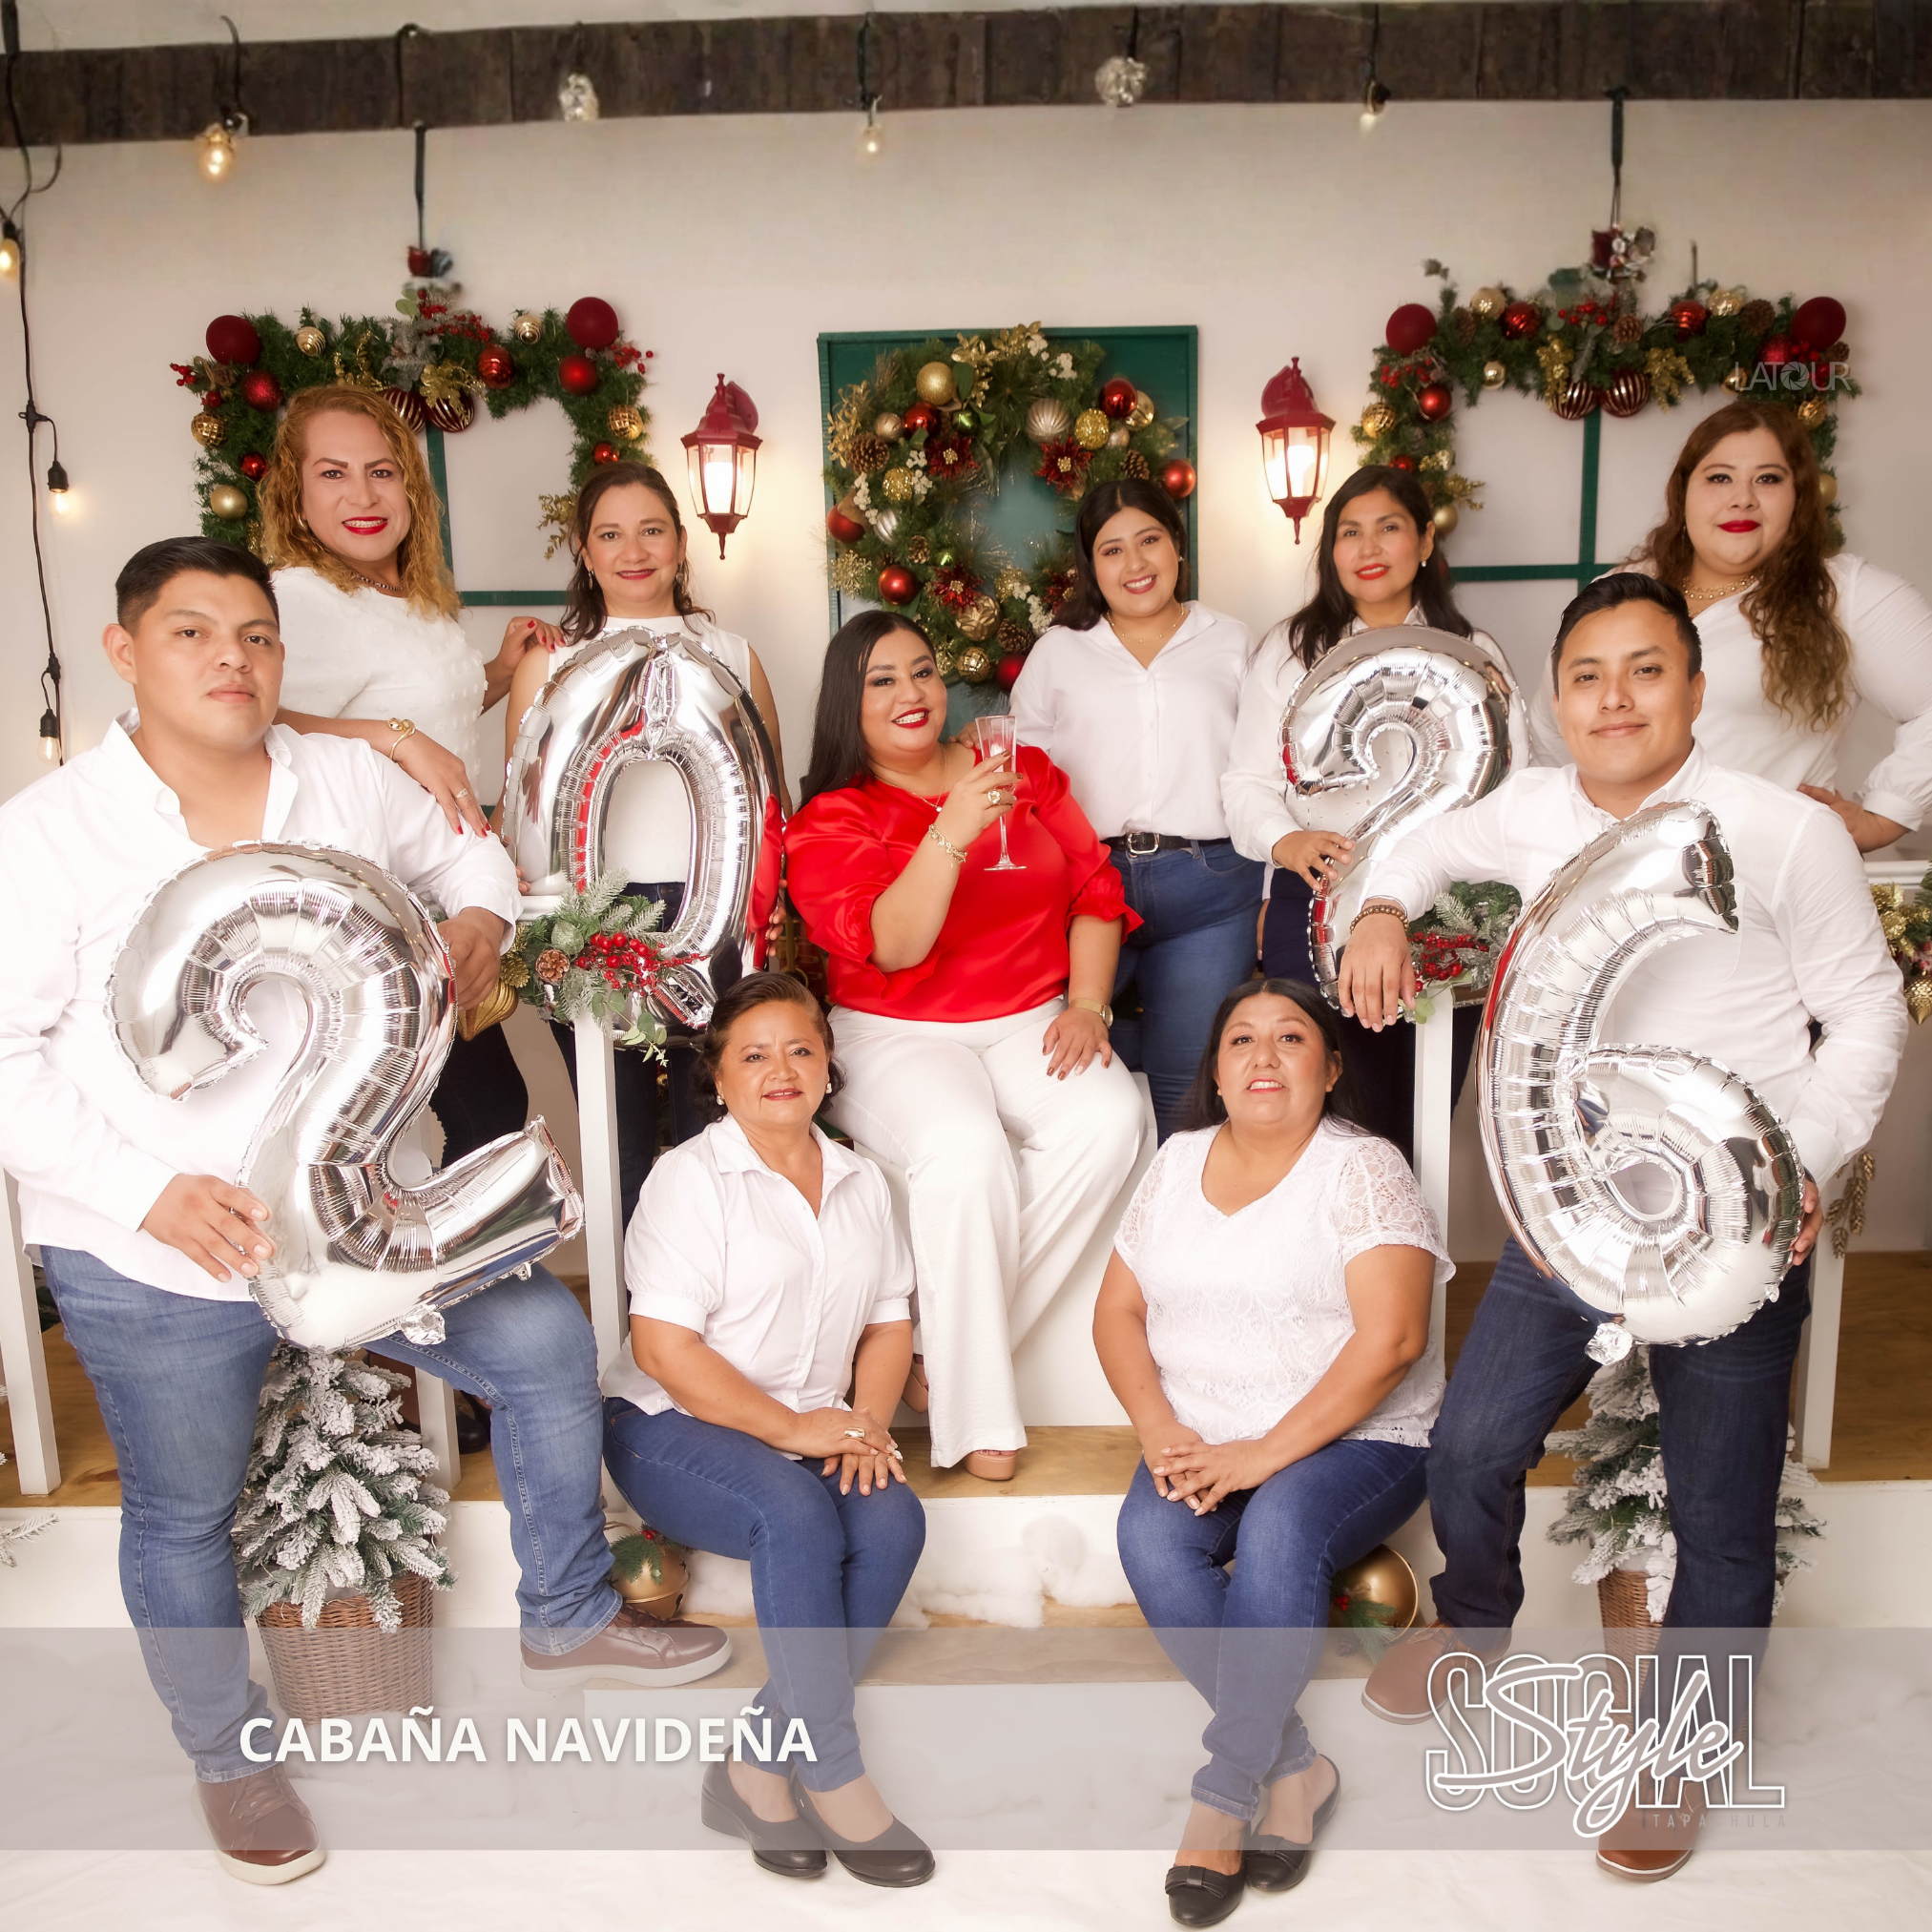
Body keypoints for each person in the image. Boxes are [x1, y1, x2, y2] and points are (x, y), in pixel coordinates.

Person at [0, 538, 730, 1888]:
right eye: (192, 632)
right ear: (124, 652)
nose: (231, 659)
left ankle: (567, 1614)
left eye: (255, 635)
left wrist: (480, 926)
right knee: (181, 1511)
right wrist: (146, 1195)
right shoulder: (48, 832)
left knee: (543, 1350)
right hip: (157, 1246)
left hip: (367, 1218)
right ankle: (227, 1755)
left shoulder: (343, 779)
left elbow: (476, 860)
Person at [1342, 572, 1904, 1881]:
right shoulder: (1534, 808)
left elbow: (1866, 1011)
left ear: (1695, 690)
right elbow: (1419, 848)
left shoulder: (1782, 830)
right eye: (1588, 676)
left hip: (1738, 1214)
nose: (1615, 699)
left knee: (1720, 1514)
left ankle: (1684, 1749)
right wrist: (1378, 907)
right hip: (1573, 1208)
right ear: (1556, 700)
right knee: (1473, 1443)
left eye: (1646, 670)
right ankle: (1475, 1619)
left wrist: (1801, 1161)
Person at [1096, 979, 1443, 1926]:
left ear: (1329, 1070)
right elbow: (1117, 1311)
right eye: (1240, 1038)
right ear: (1215, 1070)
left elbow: (1393, 1341)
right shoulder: (1177, 1162)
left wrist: (1262, 1455)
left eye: (1291, 1037)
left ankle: (1221, 1796)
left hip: (1358, 1438)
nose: (1262, 1054)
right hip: (1205, 1436)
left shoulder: (1363, 1168)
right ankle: (1296, 1768)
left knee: (1283, 1527)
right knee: (1151, 1538)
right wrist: (1159, 1427)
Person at [785, 612, 1146, 1482]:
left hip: (1026, 1018)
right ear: (847, 704)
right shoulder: (831, 819)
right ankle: (977, 1416)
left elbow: (1095, 891)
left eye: (922, 670)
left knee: (1109, 1117)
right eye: (881, 680)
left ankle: (936, 1357)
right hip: (895, 1030)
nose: (910, 693)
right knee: (964, 1148)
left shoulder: (1022, 771)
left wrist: (1087, 1004)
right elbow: (896, 947)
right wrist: (950, 828)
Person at [602, 971, 932, 1889]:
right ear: (718, 1078)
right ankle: (832, 1771)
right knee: (792, 1513)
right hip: (669, 1424)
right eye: (753, 1054)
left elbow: (888, 1322)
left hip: (810, 1426)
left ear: (828, 1066)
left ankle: (753, 1761)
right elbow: (664, 1349)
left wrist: (866, 1424)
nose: (780, 1069)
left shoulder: (863, 1180)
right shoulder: (688, 1179)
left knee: (892, 1519)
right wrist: (794, 1428)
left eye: (799, 1049)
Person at [260, 384, 563, 1179]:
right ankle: (426, 1256)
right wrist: (396, 738)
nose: (362, 496)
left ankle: (435, 1254)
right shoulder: (300, 599)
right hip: (373, 908)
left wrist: (496, 671)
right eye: (332, 473)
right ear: (295, 493)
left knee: (485, 1114)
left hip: (448, 891)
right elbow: (260, 723)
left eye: (381, 471)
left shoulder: (409, 595)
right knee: (471, 1117)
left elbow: (427, 716)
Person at [502, 460, 789, 1226]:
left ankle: (719, 1284)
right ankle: (633, 1297)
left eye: (651, 530)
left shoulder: (734, 654)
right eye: (610, 534)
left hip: (717, 911)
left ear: (681, 543)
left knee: (719, 1125)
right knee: (616, 1136)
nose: (633, 551)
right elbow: (525, 816)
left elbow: (771, 802)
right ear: (584, 549)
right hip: (589, 917)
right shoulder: (549, 663)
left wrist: (771, 915)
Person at [1221, 466, 1514, 1163]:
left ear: (1424, 542)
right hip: (1314, 897)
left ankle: (1399, 1232)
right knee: (1316, 1110)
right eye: (1349, 532)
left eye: (1388, 527)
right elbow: (1245, 782)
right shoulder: (1289, 650)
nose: (1368, 547)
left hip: (1444, 906)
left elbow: (1511, 788)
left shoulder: (1472, 652)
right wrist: (1286, 841)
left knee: (1414, 1116)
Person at [1538, 398, 1932, 848]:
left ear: (1799, 496)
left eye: (1768, 478)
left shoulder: (1845, 594)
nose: (1742, 498)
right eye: (1720, 477)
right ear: (1683, 492)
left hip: (1766, 875)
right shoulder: (1622, 589)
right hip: (1615, 875)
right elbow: (1550, 728)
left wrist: (1885, 814)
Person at [1012, 479, 1262, 1140]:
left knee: (1189, 1086)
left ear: (1177, 545)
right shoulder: (1058, 651)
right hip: (1086, 888)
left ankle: (1177, 1207)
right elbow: (1024, 778)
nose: (1135, 563)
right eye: (1112, 549)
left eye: (1149, 540)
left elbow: (1263, 773)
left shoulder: (1232, 642)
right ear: (1090, 566)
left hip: (1211, 889)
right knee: (1055, 1061)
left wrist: (1270, 889)